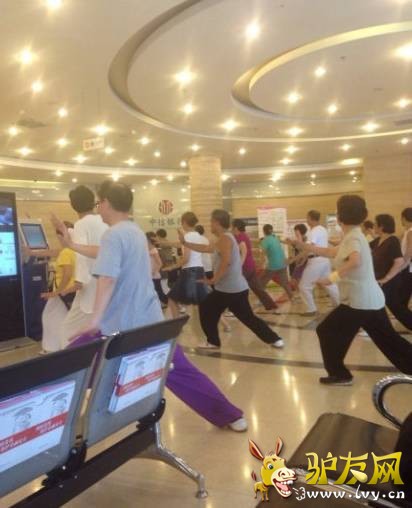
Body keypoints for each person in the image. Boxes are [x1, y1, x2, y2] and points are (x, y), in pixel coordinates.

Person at [56, 181, 247, 432]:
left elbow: (107, 278)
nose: (98, 208)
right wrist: (71, 245)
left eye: (99, 203)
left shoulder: (114, 235)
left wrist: (94, 321)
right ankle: (230, 415)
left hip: (121, 326)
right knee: (181, 372)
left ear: (107, 203)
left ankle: (47, 423)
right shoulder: (134, 230)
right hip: (150, 320)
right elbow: (103, 252)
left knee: (67, 367)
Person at [309, 195, 412, 385]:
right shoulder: (353, 234)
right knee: (389, 340)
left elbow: (355, 261)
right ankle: (340, 373)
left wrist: (330, 279)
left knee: (327, 330)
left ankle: (340, 374)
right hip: (365, 300)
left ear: (340, 215)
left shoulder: (354, 236)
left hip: (360, 301)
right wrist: (301, 245)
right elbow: (331, 252)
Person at [180, 209, 285, 349]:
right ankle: (275, 339)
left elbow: (226, 262)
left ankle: (213, 342)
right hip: (235, 289)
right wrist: (185, 243)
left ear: (217, 222)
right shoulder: (223, 238)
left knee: (206, 308)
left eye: (211, 221)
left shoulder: (225, 238)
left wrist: (214, 279)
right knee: (247, 317)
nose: (210, 224)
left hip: (229, 289)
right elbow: (205, 248)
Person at [58, 185, 108, 348]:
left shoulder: (81, 224)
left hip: (90, 286)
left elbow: (80, 254)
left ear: (73, 205)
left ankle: (72, 361)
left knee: (68, 331)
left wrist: (78, 281)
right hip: (106, 284)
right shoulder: (103, 220)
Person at [38, 224, 77, 352]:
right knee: (58, 318)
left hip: (63, 292)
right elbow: (53, 252)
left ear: (61, 236)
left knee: (49, 318)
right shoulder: (74, 249)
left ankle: (52, 348)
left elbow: (67, 274)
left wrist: (56, 292)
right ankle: (57, 347)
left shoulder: (65, 252)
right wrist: (32, 252)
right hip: (71, 291)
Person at [370, 214, 412, 330]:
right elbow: (362, 249)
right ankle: (380, 329)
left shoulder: (392, 241)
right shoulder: (378, 240)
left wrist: (386, 279)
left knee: (396, 306)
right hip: (380, 280)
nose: (373, 226)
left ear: (381, 226)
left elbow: (399, 261)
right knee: (390, 306)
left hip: (390, 281)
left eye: (375, 224)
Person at [297, 210, 339, 316]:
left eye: (307, 218)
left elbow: (309, 248)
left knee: (304, 286)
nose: (307, 220)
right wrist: (303, 259)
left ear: (310, 218)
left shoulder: (314, 231)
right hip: (324, 260)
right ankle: (340, 304)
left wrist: (294, 259)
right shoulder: (323, 229)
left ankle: (311, 309)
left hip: (316, 261)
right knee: (329, 283)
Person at [167, 212, 209, 318]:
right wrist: (164, 243)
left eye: (182, 222)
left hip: (190, 271)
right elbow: (179, 244)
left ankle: (176, 324)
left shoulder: (188, 236)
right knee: (203, 300)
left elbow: (186, 258)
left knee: (172, 298)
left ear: (185, 222)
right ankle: (224, 323)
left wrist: (173, 267)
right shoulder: (198, 236)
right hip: (199, 270)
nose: (181, 225)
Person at [231, 219, 277, 311]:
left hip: (245, 267)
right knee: (258, 288)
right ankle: (271, 305)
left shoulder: (240, 236)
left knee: (235, 287)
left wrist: (238, 267)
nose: (231, 228)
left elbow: (243, 252)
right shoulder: (243, 235)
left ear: (236, 227)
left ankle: (235, 308)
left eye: (232, 226)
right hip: (250, 266)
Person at [259, 224, 293, 301]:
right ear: (272, 231)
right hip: (282, 264)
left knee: (261, 283)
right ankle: (292, 297)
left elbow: (262, 254)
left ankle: (263, 299)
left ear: (264, 231)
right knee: (285, 283)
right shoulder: (275, 237)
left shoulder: (265, 240)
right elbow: (285, 242)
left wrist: (261, 265)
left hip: (272, 266)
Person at [146, 231, 168, 306]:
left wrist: (154, 271)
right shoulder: (147, 250)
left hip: (155, 276)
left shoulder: (154, 250)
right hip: (150, 276)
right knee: (154, 292)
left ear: (149, 240)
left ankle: (172, 303)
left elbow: (160, 263)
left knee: (159, 293)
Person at [400, 208, 412, 318]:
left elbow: (409, 253)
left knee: (401, 301)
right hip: (407, 268)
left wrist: (400, 268)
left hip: (408, 268)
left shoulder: (410, 232)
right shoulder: (407, 232)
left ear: (404, 218)